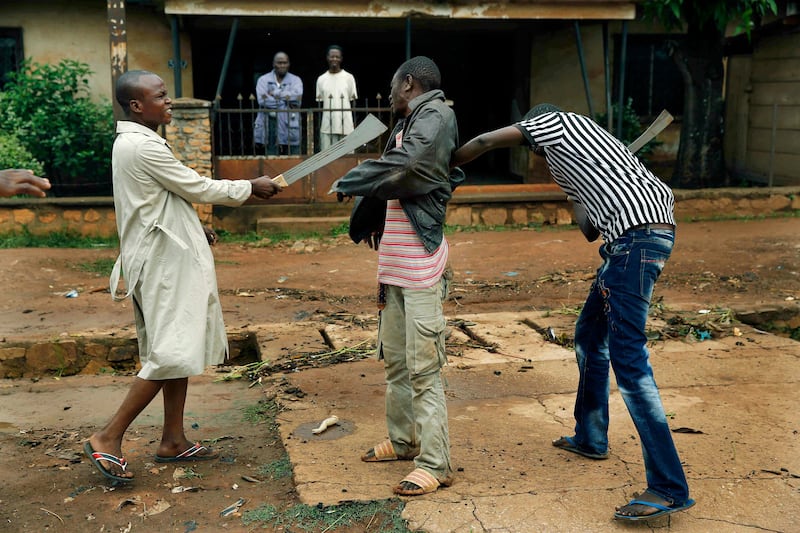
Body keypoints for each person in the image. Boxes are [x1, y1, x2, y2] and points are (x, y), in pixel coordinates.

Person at [452, 104, 695, 521]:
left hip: (636, 241)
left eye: (531, 141)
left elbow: (485, 141)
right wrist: (576, 192)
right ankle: (591, 436)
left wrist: (445, 162)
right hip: (627, 243)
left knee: (630, 361)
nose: (536, 152)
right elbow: (588, 230)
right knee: (588, 336)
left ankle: (669, 487)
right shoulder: (578, 161)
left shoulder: (558, 121)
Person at [84, 70, 282, 484]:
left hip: (164, 255)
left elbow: (164, 196)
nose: (168, 101)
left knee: (178, 346)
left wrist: (194, 224)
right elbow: (195, 185)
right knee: (170, 352)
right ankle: (108, 436)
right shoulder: (141, 146)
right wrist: (250, 186)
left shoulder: (140, 142)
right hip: (163, 263)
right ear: (137, 106)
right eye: (160, 96)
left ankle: (172, 439)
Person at [330, 56, 463, 496]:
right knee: (398, 364)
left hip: (421, 270)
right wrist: (372, 219)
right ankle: (405, 442)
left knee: (424, 370)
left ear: (408, 83)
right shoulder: (407, 124)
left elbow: (411, 166)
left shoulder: (437, 115)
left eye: (391, 85)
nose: (387, 93)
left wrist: (352, 179)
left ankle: (435, 462)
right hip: (395, 269)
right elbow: (397, 183)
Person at [254, 51, 304, 155]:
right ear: (273, 64)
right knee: (272, 161)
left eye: (285, 63)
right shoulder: (263, 80)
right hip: (270, 126)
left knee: (293, 160)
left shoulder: (295, 80)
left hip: (290, 125)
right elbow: (262, 101)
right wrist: (286, 101)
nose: (282, 65)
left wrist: (275, 93)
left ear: (289, 64)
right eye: (279, 63)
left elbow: (297, 98)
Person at [315, 45, 358, 151]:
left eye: (337, 57)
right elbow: (320, 102)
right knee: (327, 160)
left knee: (348, 159)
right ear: (327, 58)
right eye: (332, 56)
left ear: (341, 58)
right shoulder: (321, 79)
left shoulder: (349, 77)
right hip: (327, 127)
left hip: (346, 125)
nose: (334, 59)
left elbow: (353, 101)